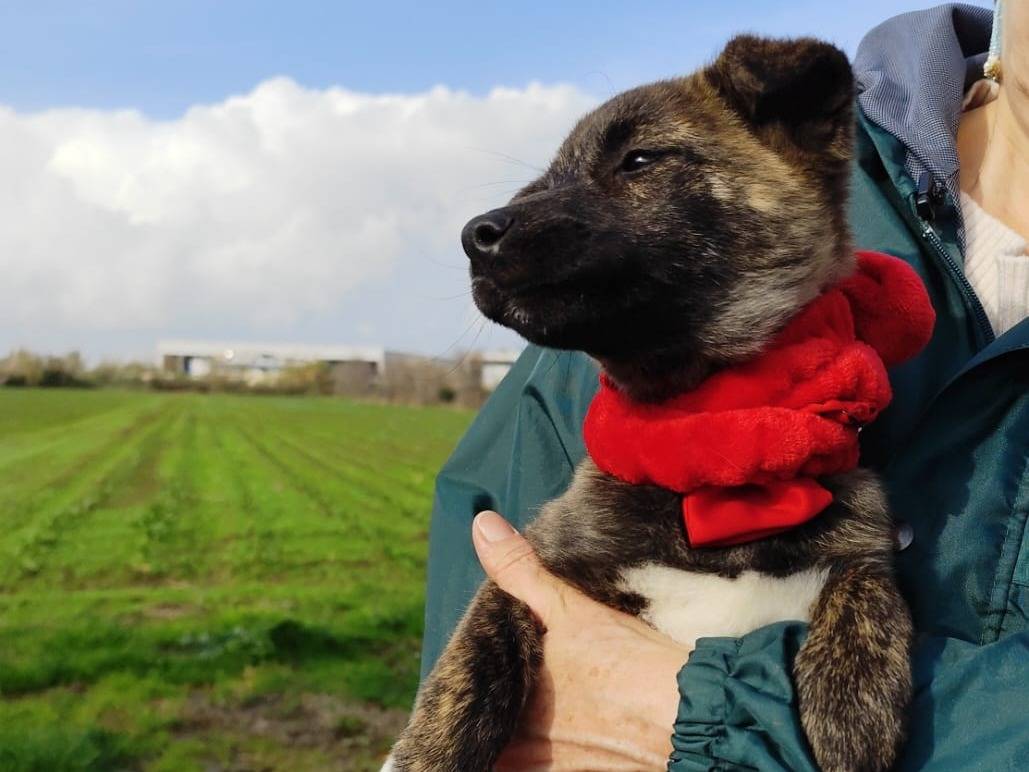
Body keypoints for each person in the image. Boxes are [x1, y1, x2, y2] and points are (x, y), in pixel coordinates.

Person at [419, 2, 1029, 768]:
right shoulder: (616, 347)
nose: (510, 219)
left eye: (636, 164)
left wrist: (713, 712)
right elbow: (487, 614)